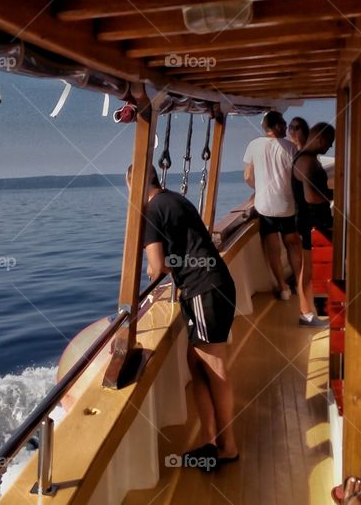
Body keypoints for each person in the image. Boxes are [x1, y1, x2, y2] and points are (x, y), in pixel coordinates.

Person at [132, 163, 239, 471]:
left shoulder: (152, 210)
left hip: (203, 289)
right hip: (211, 285)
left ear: (136, 185)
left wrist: (158, 266)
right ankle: (210, 441)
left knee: (213, 366)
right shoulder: (174, 199)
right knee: (196, 363)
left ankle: (227, 446)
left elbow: (156, 266)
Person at [244, 111, 302, 300]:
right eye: (284, 124)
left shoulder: (253, 145)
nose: (286, 127)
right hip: (287, 205)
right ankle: (300, 283)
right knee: (293, 244)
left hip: (265, 206)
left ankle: (283, 287)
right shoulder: (291, 148)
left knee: (273, 247)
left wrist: (259, 188)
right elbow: (298, 178)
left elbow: (248, 176)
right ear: (277, 126)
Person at [291, 122, 335, 326]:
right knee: (307, 269)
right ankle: (305, 314)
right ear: (320, 139)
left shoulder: (306, 159)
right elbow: (312, 197)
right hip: (310, 222)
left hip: (310, 221)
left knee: (309, 269)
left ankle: (308, 312)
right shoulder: (307, 162)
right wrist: (337, 195)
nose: (330, 147)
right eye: (329, 142)